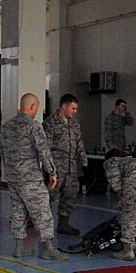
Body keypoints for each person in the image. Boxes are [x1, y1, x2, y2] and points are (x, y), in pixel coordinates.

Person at [1, 93, 64, 260]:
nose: (36, 111)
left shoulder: (6, 127)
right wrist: (52, 173)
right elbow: (43, 151)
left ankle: (19, 247)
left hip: (13, 177)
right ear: (32, 107)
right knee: (42, 211)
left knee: (18, 210)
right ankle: (49, 248)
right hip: (30, 177)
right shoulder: (33, 126)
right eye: (36, 108)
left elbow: (3, 153)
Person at [45, 94, 86, 236]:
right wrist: (49, 170)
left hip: (71, 168)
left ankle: (63, 224)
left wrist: (84, 162)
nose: (75, 112)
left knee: (70, 197)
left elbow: (79, 143)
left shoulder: (75, 124)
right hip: (56, 169)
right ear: (64, 106)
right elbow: (46, 149)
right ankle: (42, 225)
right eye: (73, 108)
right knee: (48, 197)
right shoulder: (50, 124)